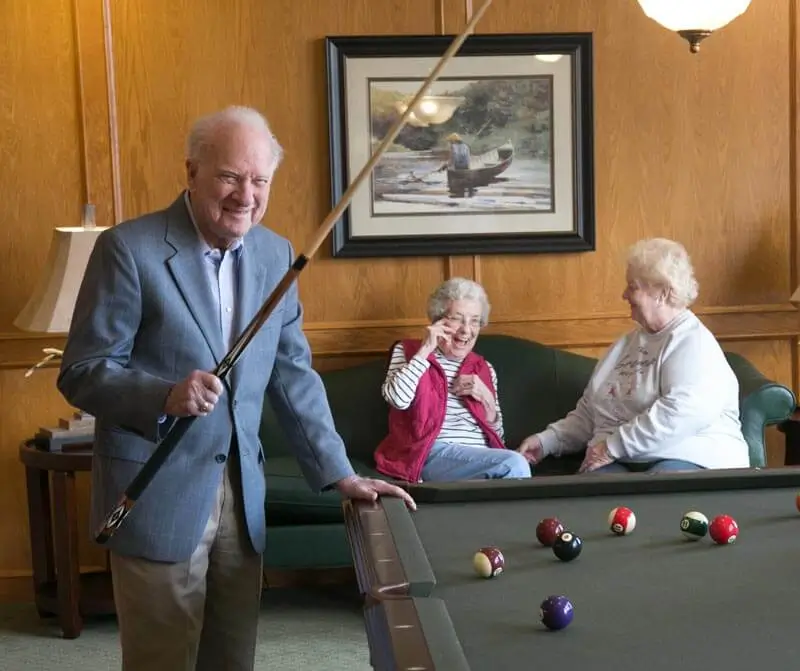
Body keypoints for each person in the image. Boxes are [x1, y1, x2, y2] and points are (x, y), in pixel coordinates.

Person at [56, 105, 415, 671]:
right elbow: (83, 370)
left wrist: (338, 471)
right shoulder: (129, 249)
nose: (245, 194)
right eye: (229, 176)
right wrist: (163, 395)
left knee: (232, 660)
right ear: (192, 171)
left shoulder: (276, 255)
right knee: (162, 661)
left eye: (259, 180)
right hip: (156, 492)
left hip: (241, 501)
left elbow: (293, 374)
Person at [518, 238, 750, 474]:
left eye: (633, 286)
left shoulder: (693, 342)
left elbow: (681, 412)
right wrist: (546, 441)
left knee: (661, 486)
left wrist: (612, 447)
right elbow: (591, 413)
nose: (624, 295)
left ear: (662, 292)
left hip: (688, 456)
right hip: (624, 458)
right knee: (594, 489)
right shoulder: (624, 345)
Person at [373, 277, 532, 483]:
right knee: (514, 464)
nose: (466, 330)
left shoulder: (484, 368)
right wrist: (426, 350)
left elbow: (497, 439)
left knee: (504, 473)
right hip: (429, 454)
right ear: (438, 321)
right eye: (458, 318)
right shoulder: (409, 352)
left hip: (476, 460)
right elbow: (397, 399)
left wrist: (488, 402)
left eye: (474, 320)